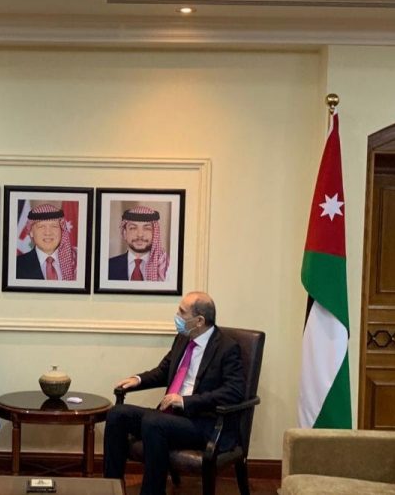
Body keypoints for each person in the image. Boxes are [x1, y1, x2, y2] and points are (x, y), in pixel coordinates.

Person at [103, 291, 245, 495]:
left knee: (154, 422)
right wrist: (138, 379)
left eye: (182, 312)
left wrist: (186, 401)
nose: (177, 316)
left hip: (204, 422)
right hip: (171, 418)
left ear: (199, 321)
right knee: (117, 414)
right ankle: (111, 488)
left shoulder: (227, 348)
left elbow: (234, 391)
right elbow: (164, 371)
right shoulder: (183, 338)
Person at [108, 205, 170, 281]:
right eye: (133, 228)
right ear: (124, 233)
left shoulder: (166, 268)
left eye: (147, 228)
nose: (140, 234)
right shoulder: (108, 266)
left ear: (155, 234)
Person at [16, 203, 76, 280]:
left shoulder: (76, 262)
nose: (48, 233)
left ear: (62, 230)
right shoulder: (17, 266)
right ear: (31, 232)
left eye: (54, 226)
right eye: (41, 226)